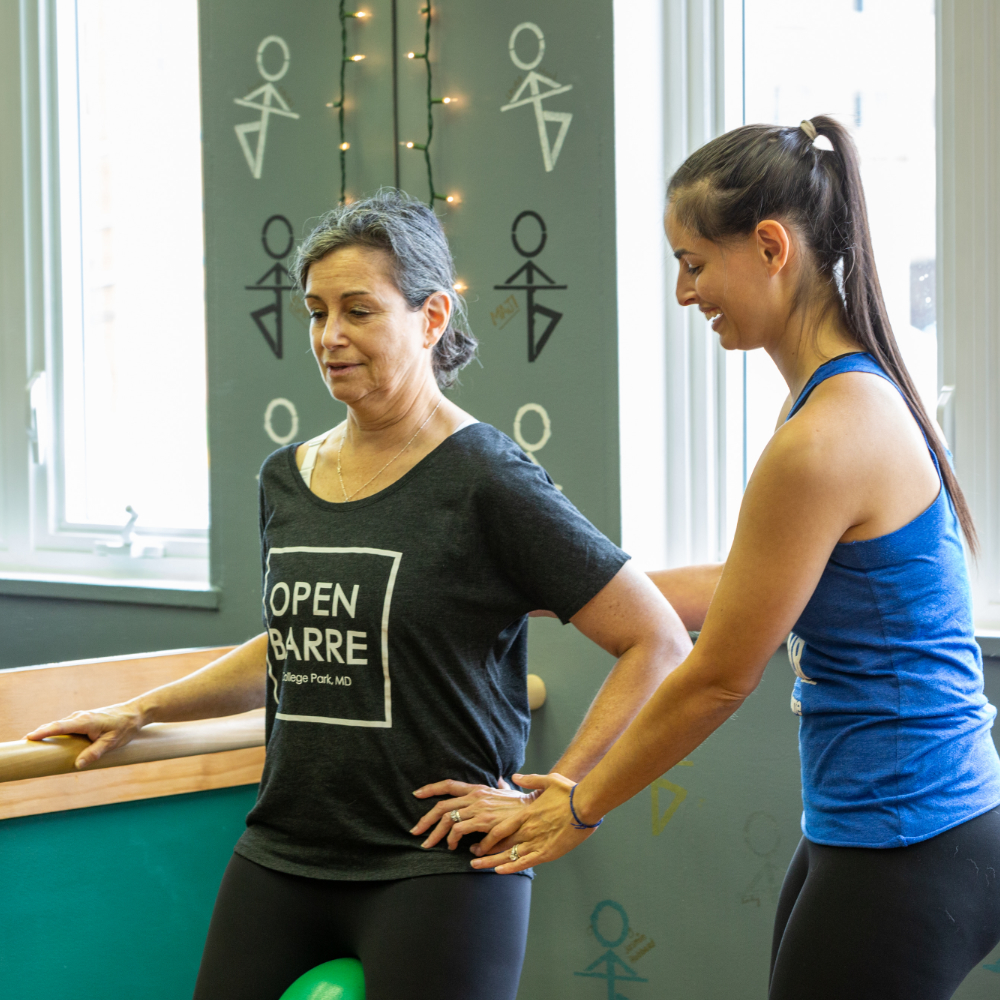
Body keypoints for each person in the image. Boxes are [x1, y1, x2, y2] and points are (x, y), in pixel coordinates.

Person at [25, 190, 692, 1000]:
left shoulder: (488, 478)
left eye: (359, 311)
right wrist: (144, 708)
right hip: (284, 852)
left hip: (437, 868)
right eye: (316, 312)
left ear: (432, 317)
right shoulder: (287, 477)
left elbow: (655, 640)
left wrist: (565, 798)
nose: (330, 337)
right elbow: (299, 640)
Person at [461, 118, 1000, 1000]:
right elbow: (745, 586)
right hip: (888, 822)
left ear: (770, 245)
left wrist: (580, 802)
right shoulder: (831, 401)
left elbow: (720, 676)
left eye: (694, 263)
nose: (684, 293)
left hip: (915, 833)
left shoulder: (828, 432)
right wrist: (559, 593)